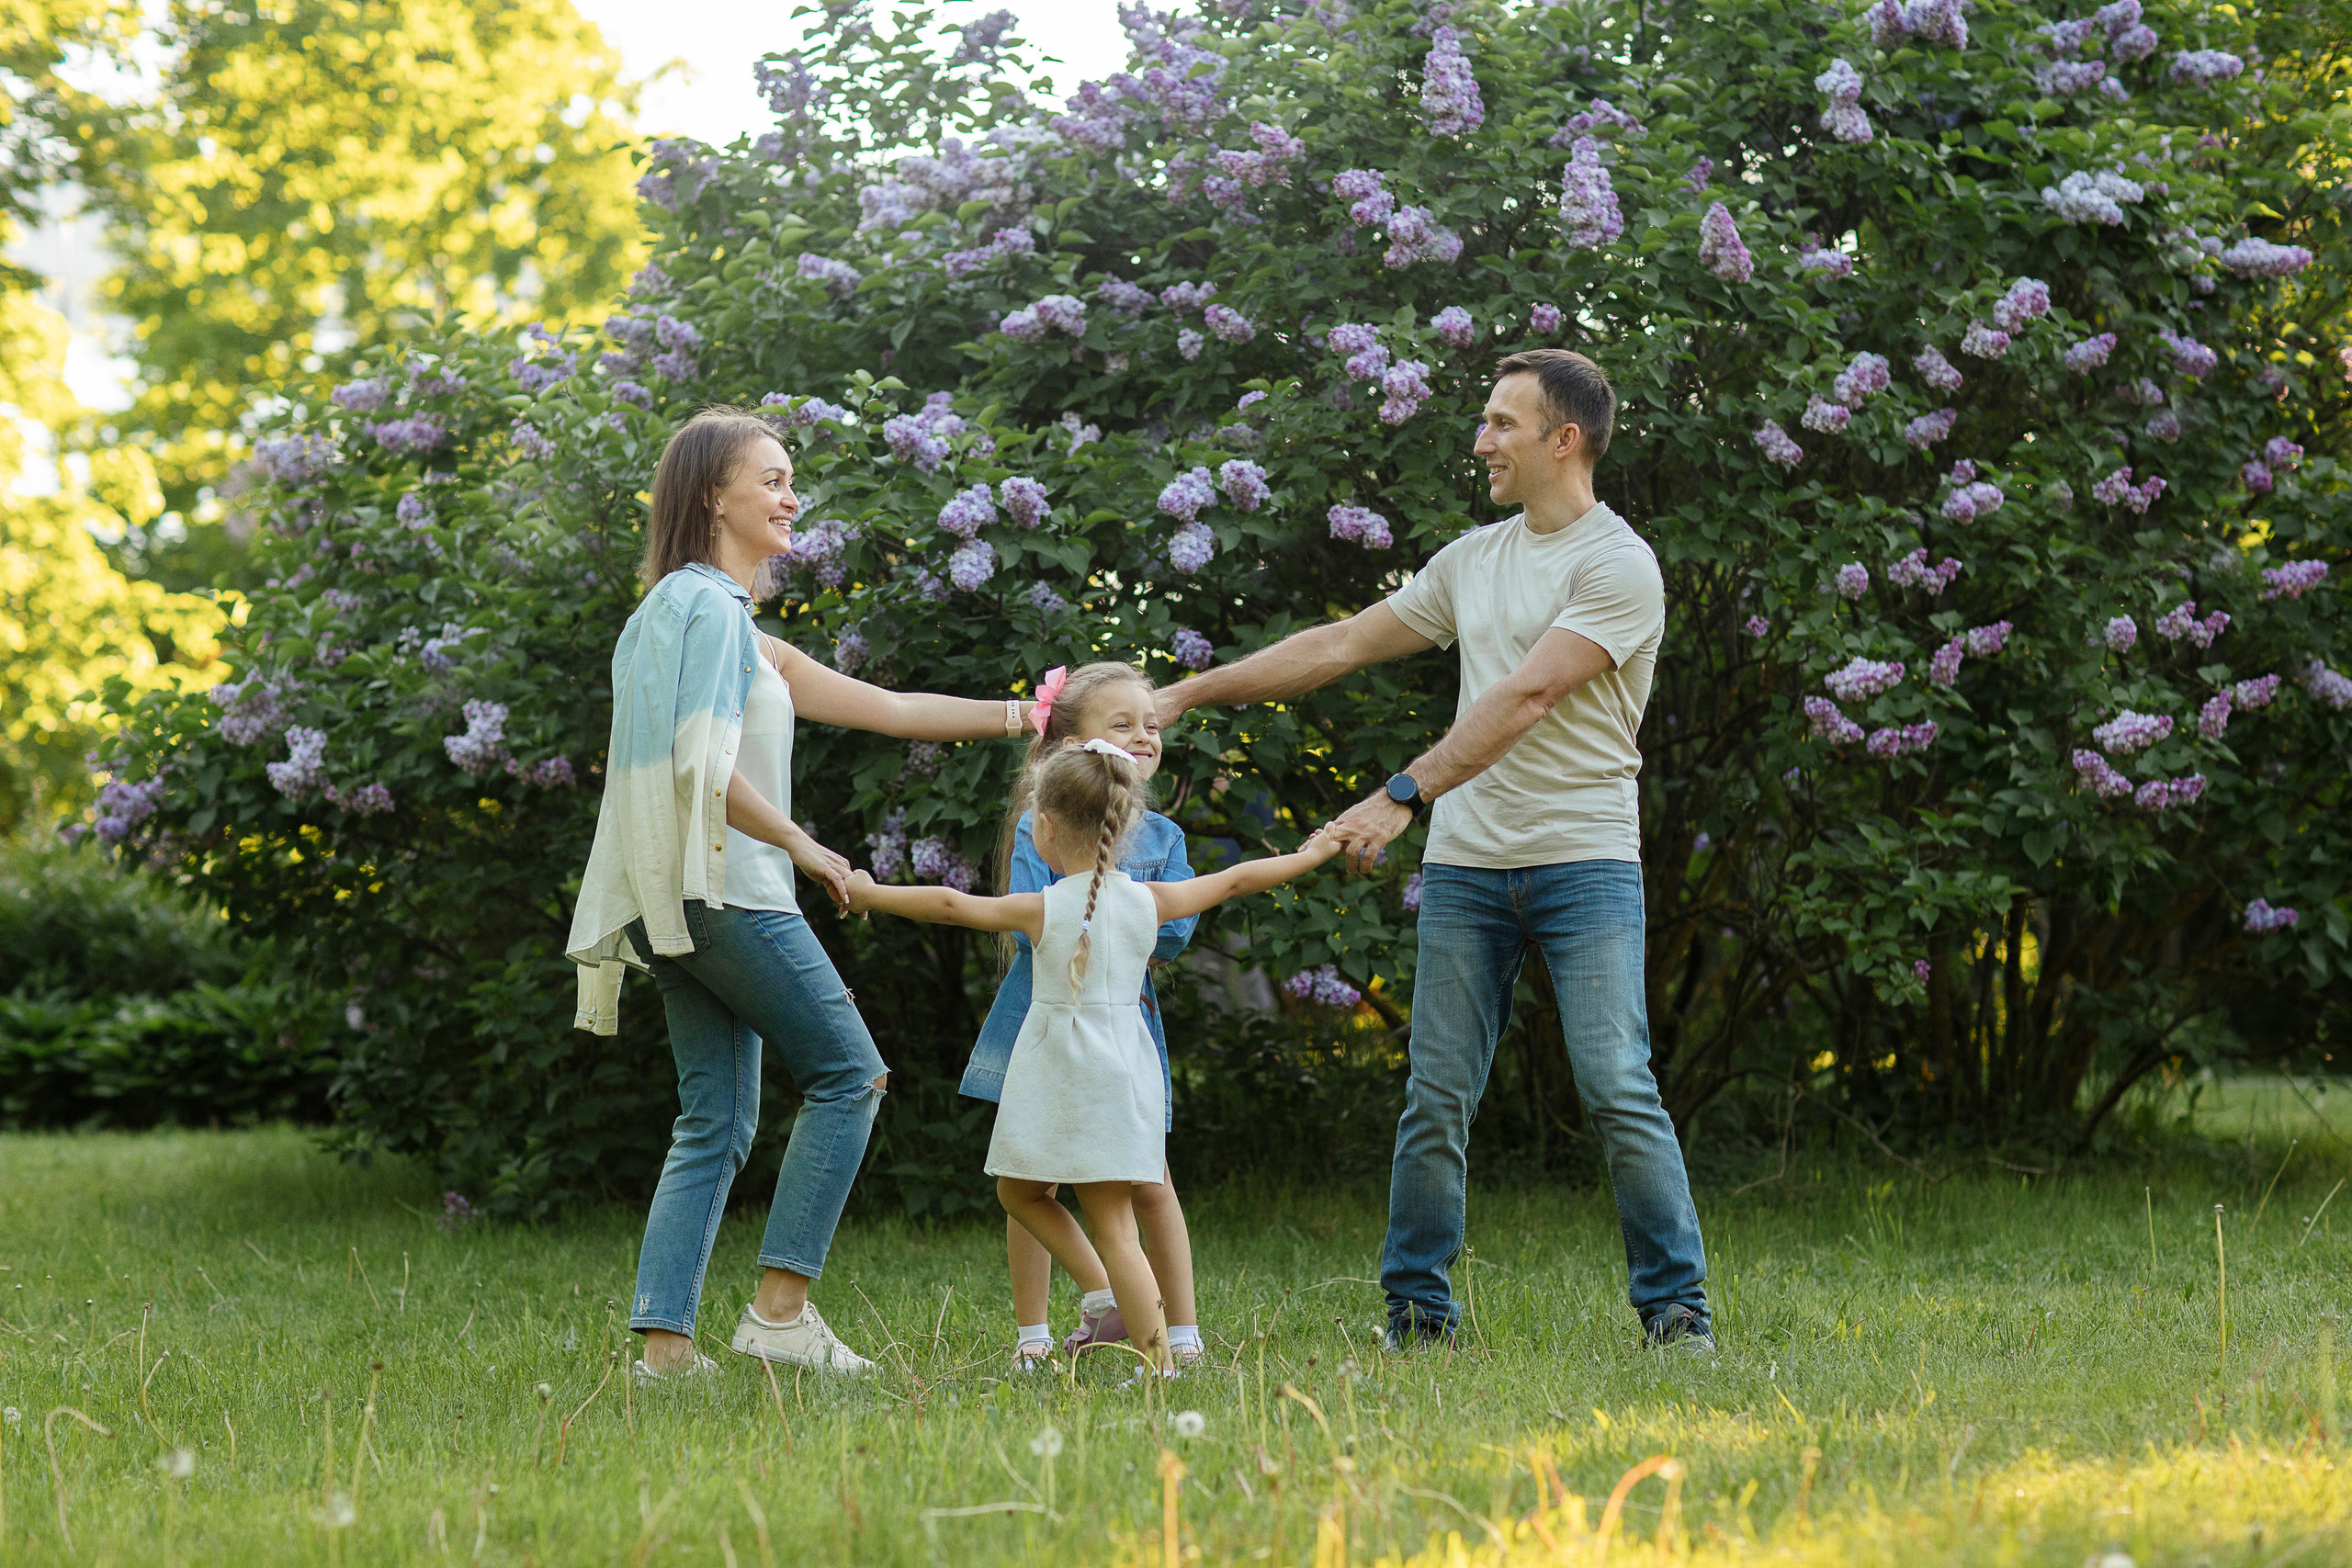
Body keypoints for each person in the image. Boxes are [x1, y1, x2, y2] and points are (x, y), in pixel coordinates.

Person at [1157, 348, 1713, 1353]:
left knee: (1616, 1085)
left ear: (1564, 439)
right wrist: (1184, 694)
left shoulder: (1616, 564)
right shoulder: (1474, 559)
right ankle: (1416, 1320)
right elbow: (1338, 645)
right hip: (1467, 869)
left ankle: (1677, 1317)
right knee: (1435, 1096)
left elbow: (1529, 695)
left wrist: (1403, 793)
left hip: (1584, 861)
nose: (1481, 440)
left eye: (1502, 423)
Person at [565, 406, 1044, 1382]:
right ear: (713, 495)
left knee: (715, 1120)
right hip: (731, 890)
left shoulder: (710, 620)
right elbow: (698, 766)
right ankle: (781, 1313)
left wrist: (1030, 715)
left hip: (683, 897)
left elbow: (890, 709)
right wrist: (804, 844)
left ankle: (663, 1352)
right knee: (849, 1073)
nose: (793, 498)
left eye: (792, 480)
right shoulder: (702, 610)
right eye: (773, 480)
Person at [850, 740, 1342, 1378]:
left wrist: (870, 891)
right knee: (1051, 1202)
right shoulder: (1151, 901)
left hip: (1063, 1078)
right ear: (1127, 823)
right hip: (1122, 1074)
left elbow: (948, 903)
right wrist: (1314, 852)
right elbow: (1240, 877)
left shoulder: (1042, 907)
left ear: (1044, 828)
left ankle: (1155, 1356)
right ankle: (1138, 1331)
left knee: (1067, 1212)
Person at [964, 661, 1207, 1373]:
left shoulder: (1163, 835)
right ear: (1070, 743)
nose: (1144, 736)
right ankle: (1035, 1333)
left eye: (1152, 724)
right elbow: (1037, 919)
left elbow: (1174, 932)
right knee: (1027, 1171)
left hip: (1120, 1020)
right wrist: (1124, 914)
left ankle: (1180, 1333)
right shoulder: (1041, 826)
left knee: (1150, 1178)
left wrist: (1122, 918)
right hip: (1040, 1020)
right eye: (1123, 723)